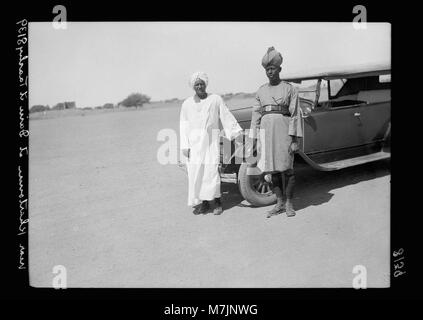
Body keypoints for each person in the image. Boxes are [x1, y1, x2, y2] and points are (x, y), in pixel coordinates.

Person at [249, 47, 303, 218]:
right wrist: (255, 139)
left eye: (272, 68)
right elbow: (256, 116)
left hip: (284, 132)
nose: (269, 72)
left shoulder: (290, 89)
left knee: (287, 169)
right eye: (267, 69)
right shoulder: (261, 91)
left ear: (279, 69)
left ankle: (289, 204)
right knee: (272, 171)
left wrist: (294, 139)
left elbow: (294, 115)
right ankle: (279, 203)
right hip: (266, 134)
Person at [180, 71, 243, 215]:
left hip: (210, 143)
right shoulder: (187, 104)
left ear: (205, 84)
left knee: (211, 172)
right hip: (194, 146)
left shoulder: (215, 99)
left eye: (202, 83)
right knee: (197, 174)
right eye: (197, 84)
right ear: (193, 86)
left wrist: (235, 133)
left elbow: (225, 115)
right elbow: (183, 125)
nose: (200, 86)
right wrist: (185, 146)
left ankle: (218, 202)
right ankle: (204, 203)